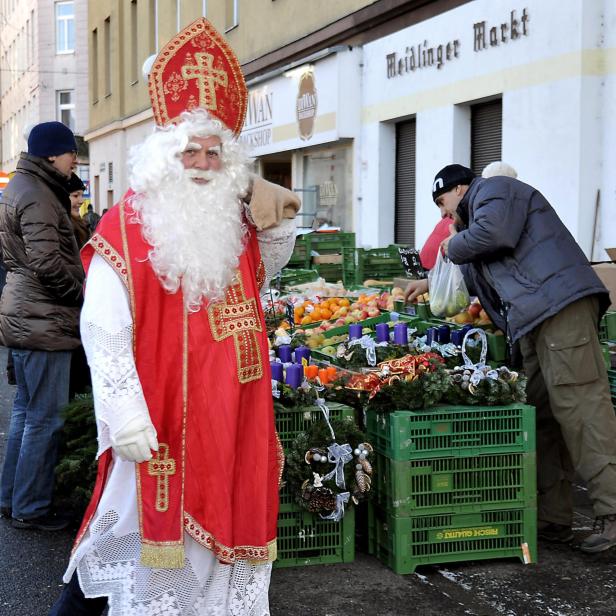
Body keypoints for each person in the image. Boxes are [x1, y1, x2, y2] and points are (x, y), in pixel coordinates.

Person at [49, 18, 300, 615]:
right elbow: (102, 326)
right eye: (190, 148)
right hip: (159, 417)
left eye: (216, 152)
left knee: (220, 555)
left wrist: (275, 209)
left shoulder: (235, 221)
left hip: (232, 416)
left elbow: (273, 263)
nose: (203, 161)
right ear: (165, 153)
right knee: (132, 541)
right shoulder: (128, 225)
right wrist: (125, 411)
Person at [405, 163, 616, 553]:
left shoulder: (494, 190)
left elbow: (494, 235)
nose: (442, 213)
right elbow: (480, 273)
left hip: (558, 307)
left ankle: (612, 511)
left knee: (581, 406)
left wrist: (451, 245)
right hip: (532, 320)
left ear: (461, 188)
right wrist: (430, 281)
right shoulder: (477, 221)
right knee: (541, 414)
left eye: (442, 201)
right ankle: (553, 518)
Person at [0, 121, 84, 529]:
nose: (75, 159)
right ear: (52, 154)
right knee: (44, 418)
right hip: (43, 317)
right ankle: (31, 508)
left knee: (26, 414)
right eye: (71, 152)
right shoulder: (37, 194)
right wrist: (81, 297)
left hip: (28, 313)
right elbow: (48, 262)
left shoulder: (27, 185)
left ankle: (12, 499)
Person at [419, 161, 518, 270]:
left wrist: (456, 245)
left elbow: (491, 238)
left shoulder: (492, 208)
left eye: (442, 203)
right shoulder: (465, 218)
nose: (443, 214)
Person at [67, 173, 90, 249]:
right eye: (75, 195)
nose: (81, 201)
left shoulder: (81, 224)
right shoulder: (60, 228)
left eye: (82, 195)